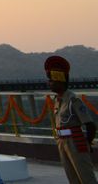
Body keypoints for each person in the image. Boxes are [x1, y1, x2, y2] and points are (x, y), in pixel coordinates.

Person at [46, 55, 96, 184]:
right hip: (62, 141)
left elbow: (90, 124)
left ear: (60, 81)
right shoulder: (57, 100)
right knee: (72, 177)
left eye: (52, 81)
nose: (49, 83)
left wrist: (87, 142)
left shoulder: (73, 100)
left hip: (75, 141)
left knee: (85, 176)